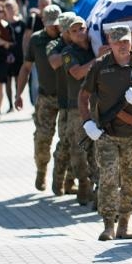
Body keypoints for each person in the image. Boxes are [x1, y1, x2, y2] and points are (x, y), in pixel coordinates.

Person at [80, 25, 132, 241]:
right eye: (117, 42)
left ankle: (124, 224)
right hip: (106, 134)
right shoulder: (99, 66)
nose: (122, 46)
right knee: (108, 178)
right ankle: (108, 225)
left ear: (131, 41)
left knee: (130, 180)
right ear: (110, 44)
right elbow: (83, 96)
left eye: (126, 41)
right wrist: (87, 122)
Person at [15, 5, 62, 191]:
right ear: (43, 22)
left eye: (56, 24)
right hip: (46, 97)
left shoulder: (67, 38)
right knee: (42, 138)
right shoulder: (36, 40)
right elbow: (26, 68)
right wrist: (18, 94)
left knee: (68, 140)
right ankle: (41, 171)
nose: (54, 28)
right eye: (50, 25)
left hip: (68, 98)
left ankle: (62, 178)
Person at [61, 16, 103, 206]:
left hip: (97, 106)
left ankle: (97, 191)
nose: (79, 33)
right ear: (68, 34)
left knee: (97, 150)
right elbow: (77, 72)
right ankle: (83, 184)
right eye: (74, 30)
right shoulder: (68, 52)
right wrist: (99, 59)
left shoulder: (96, 46)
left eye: (82, 28)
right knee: (78, 151)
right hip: (77, 108)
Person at [47, 13, 78, 195]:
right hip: (65, 103)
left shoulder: (82, 44)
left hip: (80, 102)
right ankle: (58, 181)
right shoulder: (55, 45)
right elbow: (54, 62)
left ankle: (70, 181)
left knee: (79, 145)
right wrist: (70, 49)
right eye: (70, 30)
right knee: (65, 144)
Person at [4, 0, 26, 113]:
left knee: (19, 79)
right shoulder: (3, 25)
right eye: (7, 8)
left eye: (11, 7)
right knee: (7, 81)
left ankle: (18, 99)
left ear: (16, 8)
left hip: (19, 56)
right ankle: (10, 105)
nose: (9, 10)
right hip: (6, 56)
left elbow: (25, 40)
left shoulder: (21, 24)